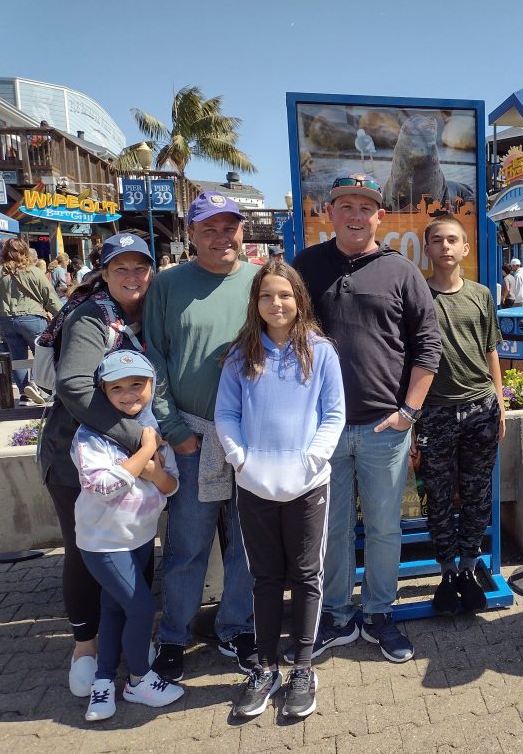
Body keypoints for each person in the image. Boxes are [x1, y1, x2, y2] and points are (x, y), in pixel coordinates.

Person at [293, 173, 441, 664]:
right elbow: (284, 338)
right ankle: (336, 615)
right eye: (345, 205)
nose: (355, 215)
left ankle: (379, 613)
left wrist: (409, 411)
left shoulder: (402, 271)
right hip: (325, 429)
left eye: (366, 207)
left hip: (386, 428)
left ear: (381, 216)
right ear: (329, 213)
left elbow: (427, 346)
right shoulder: (306, 268)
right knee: (331, 530)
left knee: (383, 528)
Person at [215, 261, 345, 719]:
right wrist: (240, 459)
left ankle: (303, 668)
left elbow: (333, 414)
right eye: (267, 295)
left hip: (308, 485)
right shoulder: (240, 354)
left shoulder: (320, 351)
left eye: (285, 295)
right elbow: (226, 414)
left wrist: (313, 460)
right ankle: (266, 667)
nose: (277, 303)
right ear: (256, 302)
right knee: (266, 579)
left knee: (308, 576)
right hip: (254, 485)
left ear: (299, 298)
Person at [145, 191, 257, 681]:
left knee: (247, 544)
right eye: (209, 228)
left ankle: (237, 627)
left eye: (229, 227)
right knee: (187, 544)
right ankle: (173, 635)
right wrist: (173, 430)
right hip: (192, 437)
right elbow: (156, 361)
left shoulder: (261, 282)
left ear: (242, 231)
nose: (221, 237)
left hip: (253, 440)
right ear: (191, 234)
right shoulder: (168, 286)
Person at [38, 233, 154, 698]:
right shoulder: (94, 315)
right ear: (103, 273)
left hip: (127, 460)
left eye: (139, 268)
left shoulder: (139, 315)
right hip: (76, 459)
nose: (131, 277)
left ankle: (127, 637)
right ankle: (85, 647)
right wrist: (137, 442)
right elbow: (72, 384)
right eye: (119, 268)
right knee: (86, 552)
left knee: (134, 542)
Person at [73, 350, 184, 722]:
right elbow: (103, 486)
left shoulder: (154, 426)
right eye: (116, 387)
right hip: (104, 542)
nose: (128, 394)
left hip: (138, 536)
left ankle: (104, 681)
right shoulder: (90, 435)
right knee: (139, 608)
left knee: (113, 609)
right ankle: (138, 678)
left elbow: (170, 486)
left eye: (137, 384)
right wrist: (148, 451)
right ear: (102, 392)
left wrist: (154, 472)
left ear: (152, 385)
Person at [413, 215, 504, 615]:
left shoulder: (481, 295)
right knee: (437, 493)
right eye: (438, 240)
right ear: (428, 248)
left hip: (480, 407)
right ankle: (447, 570)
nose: (446, 247)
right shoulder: (415, 296)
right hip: (434, 412)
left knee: (477, 493)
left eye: (453, 240)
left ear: (466, 248)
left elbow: (491, 350)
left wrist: (499, 402)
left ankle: (469, 566)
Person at [0, 236, 60, 405]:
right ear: (25, 251)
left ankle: (25, 393)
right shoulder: (34, 271)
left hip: (6, 320)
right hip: (32, 318)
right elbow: (50, 298)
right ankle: (44, 387)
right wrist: (63, 317)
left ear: (3, 252)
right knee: (44, 355)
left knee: (17, 358)